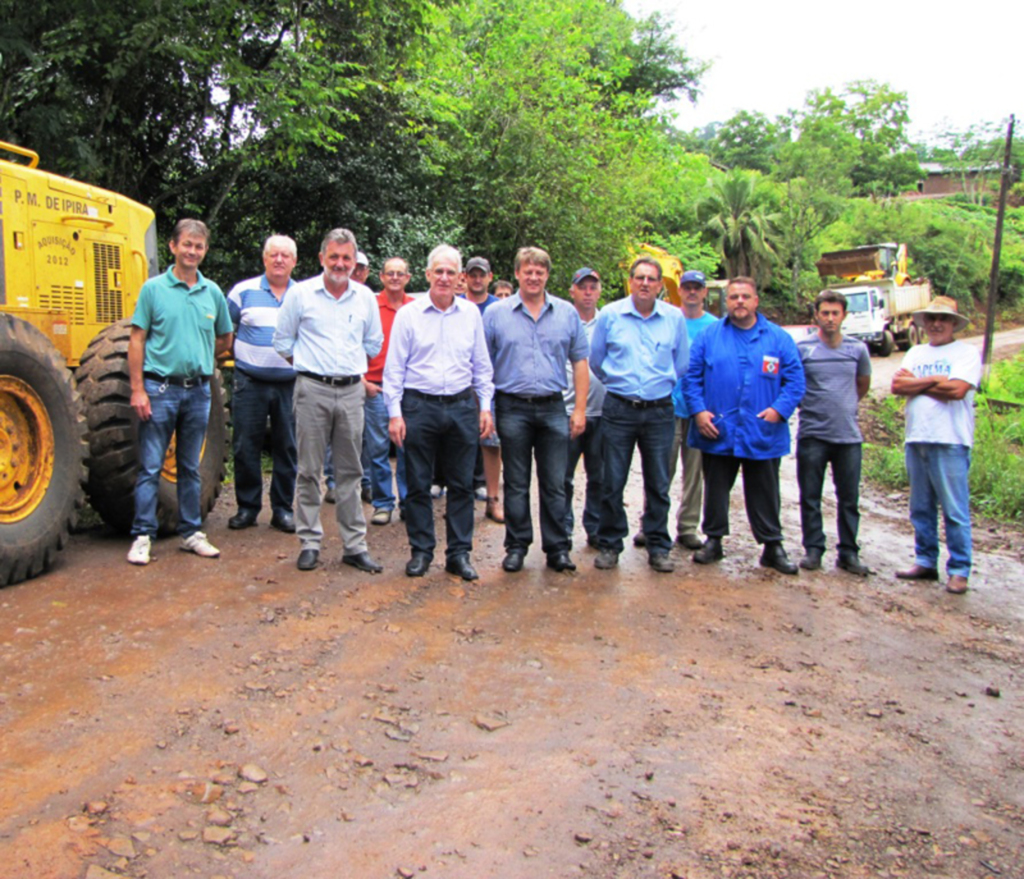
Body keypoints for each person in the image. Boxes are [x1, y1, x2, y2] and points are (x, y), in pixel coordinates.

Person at [272, 228, 384, 573]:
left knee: (351, 471)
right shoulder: (301, 294)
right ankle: (309, 542)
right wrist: (311, 368)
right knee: (308, 471)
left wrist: (345, 368)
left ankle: (354, 546)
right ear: (321, 258)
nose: (340, 263)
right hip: (311, 390)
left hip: (352, 392)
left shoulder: (365, 297)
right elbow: (282, 342)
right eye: (333, 256)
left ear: (354, 262)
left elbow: (374, 345)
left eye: (346, 258)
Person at [384, 245, 495, 581]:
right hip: (419, 406)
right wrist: (394, 413)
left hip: (462, 406)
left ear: (460, 278)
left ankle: (459, 554)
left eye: (451, 272)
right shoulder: (409, 314)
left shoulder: (471, 314)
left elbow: (482, 366)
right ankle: (421, 552)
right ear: (428, 274)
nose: (445, 278)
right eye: (439, 271)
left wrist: (485, 406)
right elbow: (394, 370)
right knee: (418, 484)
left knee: (462, 485)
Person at [126, 219, 233, 565]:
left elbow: (224, 339)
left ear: (205, 251)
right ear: (172, 247)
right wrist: (138, 389)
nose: (192, 251)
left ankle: (191, 533)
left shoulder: (212, 292)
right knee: (151, 466)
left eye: (199, 246)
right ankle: (142, 536)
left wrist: (198, 358)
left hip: (199, 392)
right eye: (187, 244)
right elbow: (137, 339)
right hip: (160, 390)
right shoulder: (153, 290)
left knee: (189, 467)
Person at [684, 276, 805, 574]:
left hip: (761, 430)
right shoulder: (709, 336)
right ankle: (713, 541)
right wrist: (698, 412)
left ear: (755, 301)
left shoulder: (778, 338)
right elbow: (691, 378)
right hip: (718, 429)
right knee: (715, 489)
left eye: (745, 296)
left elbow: (796, 381)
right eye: (734, 296)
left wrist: (780, 409)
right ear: (727, 301)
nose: (739, 301)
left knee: (765, 489)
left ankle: (772, 546)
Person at [483, 246, 588, 573]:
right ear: (517, 274)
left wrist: (580, 409)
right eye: (527, 271)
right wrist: (486, 409)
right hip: (511, 407)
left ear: (546, 275)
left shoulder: (567, 313)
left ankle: (557, 548)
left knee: (555, 482)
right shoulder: (496, 314)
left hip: (553, 407)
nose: (533, 276)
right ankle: (516, 546)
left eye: (539, 271)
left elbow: (580, 362)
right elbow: (483, 367)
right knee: (515, 482)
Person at [590, 257, 689, 573]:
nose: (645, 283)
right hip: (619, 408)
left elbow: (681, 363)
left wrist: (657, 386)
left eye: (652, 278)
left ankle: (658, 545)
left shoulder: (674, 318)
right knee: (612, 480)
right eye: (640, 277)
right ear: (630, 281)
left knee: (658, 482)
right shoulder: (611, 315)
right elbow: (597, 361)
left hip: (659, 410)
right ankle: (609, 544)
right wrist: (622, 384)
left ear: (660, 285)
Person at [891, 296, 981, 594]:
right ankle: (926, 561)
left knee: (955, 509)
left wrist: (919, 383)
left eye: (943, 319)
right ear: (924, 322)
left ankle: (959, 569)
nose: (937, 324)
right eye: (931, 318)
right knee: (920, 507)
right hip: (916, 438)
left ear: (954, 323)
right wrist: (935, 380)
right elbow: (898, 386)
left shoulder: (966, 353)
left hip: (951, 440)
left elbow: (957, 390)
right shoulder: (915, 352)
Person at [635, 269, 718, 550]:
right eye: (687, 287)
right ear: (678, 290)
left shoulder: (715, 327)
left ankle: (688, 527)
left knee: (694, 473)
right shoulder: (667, 319)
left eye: (698, 287)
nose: (692, 292)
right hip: (667, 406)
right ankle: (651, 524)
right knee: (659, 470)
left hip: (701, 411)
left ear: (705, 292)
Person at [225, 235, 299, 534]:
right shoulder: (242, 292)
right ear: (264, 259)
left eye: (285, 255)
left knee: (288, 448)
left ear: (294, 261)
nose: (279, 260)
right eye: (274, 254)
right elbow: (224, 333)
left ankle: (282, 510)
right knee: (245, 446)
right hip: (249, 383)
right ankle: (247, 508)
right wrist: (245, 358)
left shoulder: (304, 295)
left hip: (291, 384)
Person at [796, 290, 872, 575]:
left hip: (848, 437)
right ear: (816, 315)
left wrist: (844, 406)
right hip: (812, 433)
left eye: (835, 313)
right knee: (810, 496)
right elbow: (795, 386)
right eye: (824, 313)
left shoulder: (857, 350)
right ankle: (813, 549)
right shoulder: (803, 349)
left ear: (844, 316)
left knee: (849, 499)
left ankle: (849, 552)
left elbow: (862, 385)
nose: (829, 318)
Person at [362, 257, 414, 526]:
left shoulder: (416, 308)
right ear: (381, 277)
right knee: (378, 448)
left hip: (408, 391)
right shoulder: (369, 306)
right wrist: (362, 381)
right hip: (376, 388)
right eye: (390, 273)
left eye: (400, 273)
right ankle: (383, 504)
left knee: (407, 448)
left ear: (408, 278)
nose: (395, 277)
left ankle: (408, 502)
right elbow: (354, 342)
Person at [563, 268, 606, 549]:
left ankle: (597, 529)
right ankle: (562, 530)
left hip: (603, 412)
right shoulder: (562, 320)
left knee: (600, 477)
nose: (588, 292)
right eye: (583, 287)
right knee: (561, 478)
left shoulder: (610, 321)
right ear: (573, 291)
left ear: (599, 290)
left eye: (593, 287)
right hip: (565, 412)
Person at [463, 256, 504, 522]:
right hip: (461, 385)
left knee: (491, 441)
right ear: (464, 277)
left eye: (482, 274)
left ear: (490, 277)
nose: (477, 279)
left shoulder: (500, 308)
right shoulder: (457, 305)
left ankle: (492, 496)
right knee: (462, 440)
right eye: (473, 274)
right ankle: (460, 492)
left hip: (493, 384)